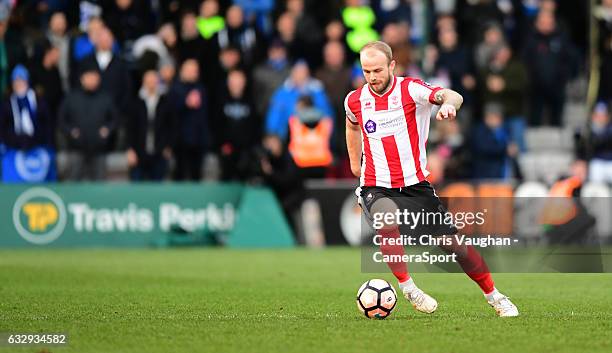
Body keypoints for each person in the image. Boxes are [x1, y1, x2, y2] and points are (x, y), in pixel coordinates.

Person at [344, 41, 519, 317]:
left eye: (377, 70)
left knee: (453, 245)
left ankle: (495, 296)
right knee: (385, 218)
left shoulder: (411, 89)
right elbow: (351, 124)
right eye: (366, 71)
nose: (372, 77)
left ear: (391, 66)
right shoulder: (355, 99)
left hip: (415, 183)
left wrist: (448, 106)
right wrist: (355, 161)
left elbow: (454, 95)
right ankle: (409, 288)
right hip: (375, 183)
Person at [58, 64, 119, 181]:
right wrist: (71, 132)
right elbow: (61, 119)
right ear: (82, 78)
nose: (91, 80)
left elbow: (115, 119)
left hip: (99, 148)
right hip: (76, 148)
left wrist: (107, 130)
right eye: (88, 77)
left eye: (94, 77)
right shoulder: (72, 97)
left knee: (99, 184)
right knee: (74, 181)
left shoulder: (105, 97)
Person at [127, 70, 176, 181]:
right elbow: (130, 128)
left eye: (154, 81)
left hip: (160, 153)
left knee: (157, 188)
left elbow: (172, 126)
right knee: (137, 189)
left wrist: (168, 146)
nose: (151, 83)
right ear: (143, 82)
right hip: (139, 153)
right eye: (148, 81)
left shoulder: (165, 102)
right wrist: (130, 149)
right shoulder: (136, 102)